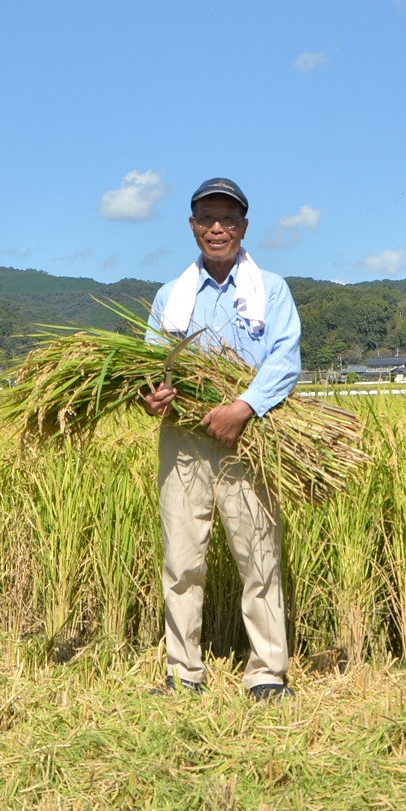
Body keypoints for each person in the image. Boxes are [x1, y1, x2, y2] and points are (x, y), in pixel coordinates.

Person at [140, 177, 304, 700]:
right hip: (184, 438)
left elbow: (284, 358)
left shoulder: (270, 289)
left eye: (228, 219)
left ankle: (265, 672)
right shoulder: (171, 296)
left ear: (244, 228)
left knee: (258, 555)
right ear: (192, 227)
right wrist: (152, 396)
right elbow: (148, 367)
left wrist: (243, 406)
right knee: (182, 559)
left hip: (250, 436)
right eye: (207, 219)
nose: (218, 228)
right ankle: (183, 671)